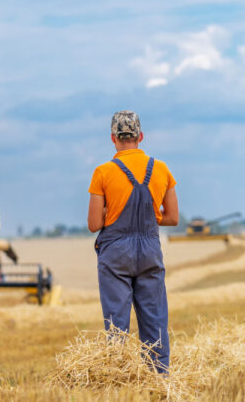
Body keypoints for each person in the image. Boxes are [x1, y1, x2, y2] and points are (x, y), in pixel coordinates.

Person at [87, 110, 179, 372]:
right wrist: (150, 216)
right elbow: (172, 218)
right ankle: (159, 382)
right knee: (155, 320)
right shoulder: (161, 169)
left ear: (113, 138)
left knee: (117, 325)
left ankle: (119, 381)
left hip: (115, 254)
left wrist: (111, 212)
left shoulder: (103, 172)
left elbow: (94, 224)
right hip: (150, 251)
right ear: (140, 136)